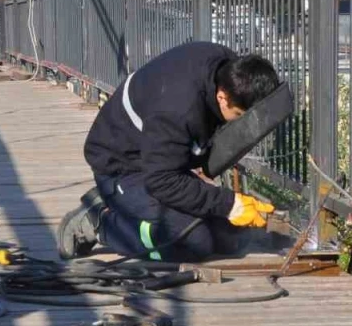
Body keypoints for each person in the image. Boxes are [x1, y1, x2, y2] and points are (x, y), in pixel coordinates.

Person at [57, 42, 280, 262]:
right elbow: (162, 181)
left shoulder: (227, 67)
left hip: (160, 158)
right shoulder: (177, 109)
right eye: (240, 115)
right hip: (123, 165)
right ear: (222, 97)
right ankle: (99, 221)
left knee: (229, 237)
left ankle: (121, 203)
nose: (241, 123)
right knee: (193, 241)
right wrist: (229, 204)